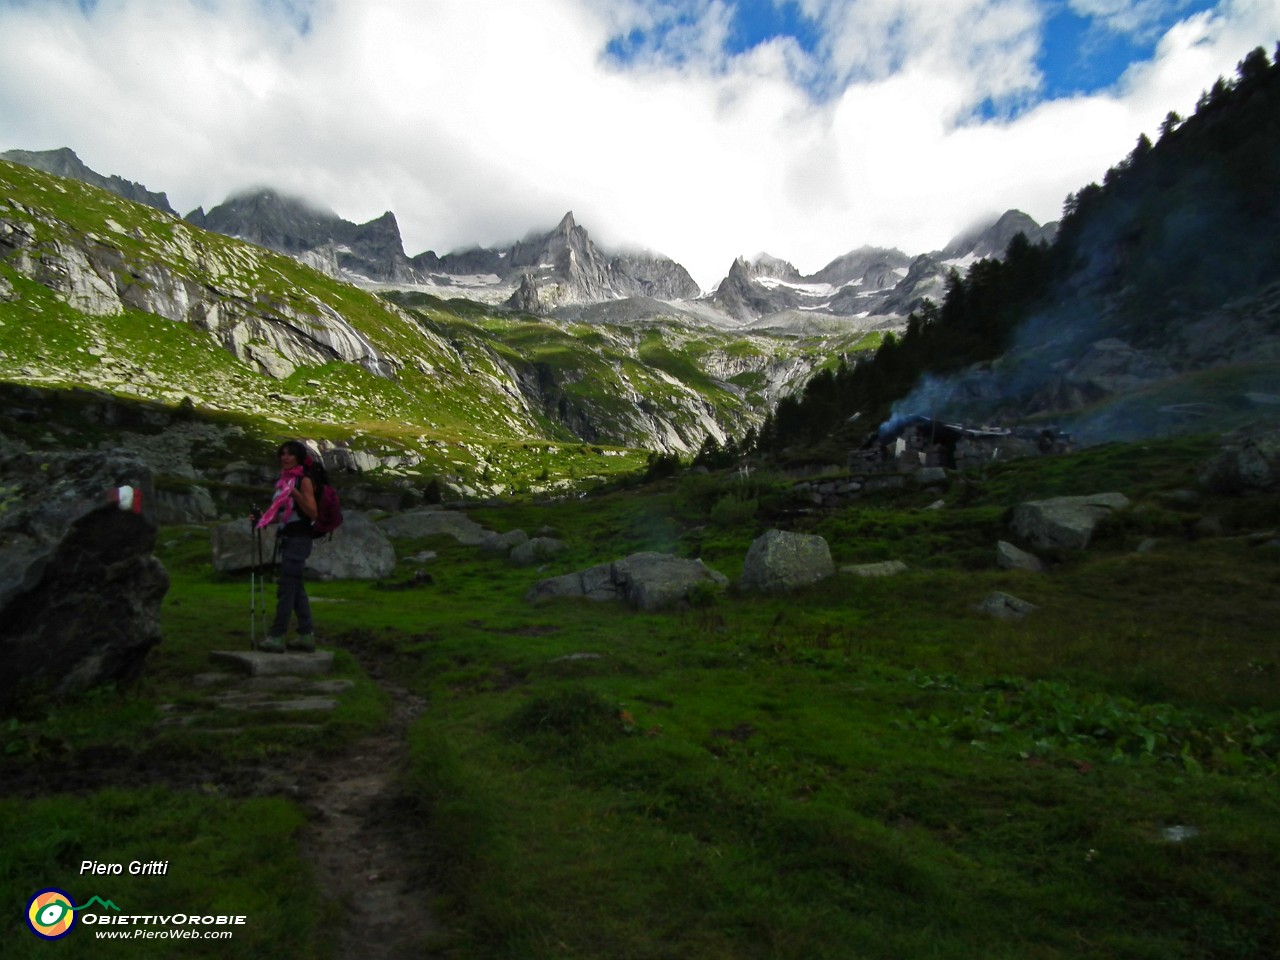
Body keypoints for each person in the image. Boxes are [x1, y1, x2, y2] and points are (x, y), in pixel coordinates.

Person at [255, 440, 323, 653]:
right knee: (296, 587)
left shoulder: (302, 482)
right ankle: (306, 634)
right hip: (289, 537)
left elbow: (313, 513)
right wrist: (261, 518)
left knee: (286, 587)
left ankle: (277, 636)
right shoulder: (283, 482)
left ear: (299, 458)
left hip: (299, 538)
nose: (285, 457)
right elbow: (284, 514)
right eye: (282, 453)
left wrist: (295, 494)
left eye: (290, 454)